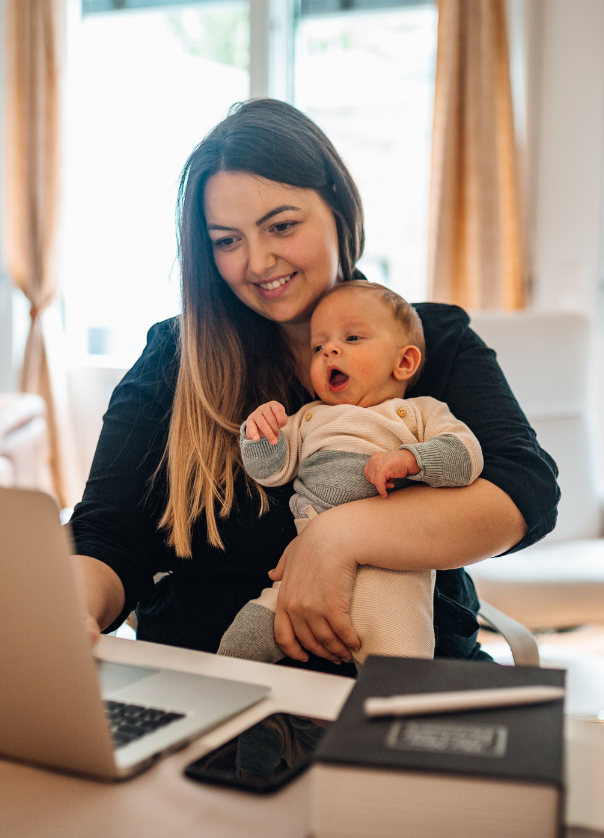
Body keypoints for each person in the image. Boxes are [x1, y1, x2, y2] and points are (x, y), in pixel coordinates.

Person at [69, 98, 559, 674]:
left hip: (402, 681)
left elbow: (523, 490)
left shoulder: (430, 341)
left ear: (339, 209)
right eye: (227, 240)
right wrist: (70, 611)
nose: (257, 261)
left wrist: (336, 537)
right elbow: (107, 536)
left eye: (281, 226)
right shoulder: (175, 358)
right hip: (214, 684)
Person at [218, 280, 484, 667]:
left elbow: (466, 457)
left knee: (398, 682)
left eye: (353, 337)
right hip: (304, 572)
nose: (330, 350)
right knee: (241, 644)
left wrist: (412, 460)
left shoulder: (421, 412)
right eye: (318, 347)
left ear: (404, 362)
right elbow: (270, 472)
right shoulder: (309, 416)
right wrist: (260, 432)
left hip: (392, 575)